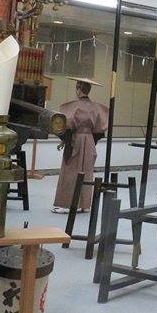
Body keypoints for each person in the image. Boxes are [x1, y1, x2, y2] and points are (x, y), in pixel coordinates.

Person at [51, 77, 107, 214]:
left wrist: (65, 140)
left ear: (78, 89)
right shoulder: (96, 107)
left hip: (76, 140)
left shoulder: (73, 106)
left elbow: (67, 125)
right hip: (89, 141)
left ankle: (66, 204)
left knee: (70, 171)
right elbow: (99, 129)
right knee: (86, 172)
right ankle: (84, 204)